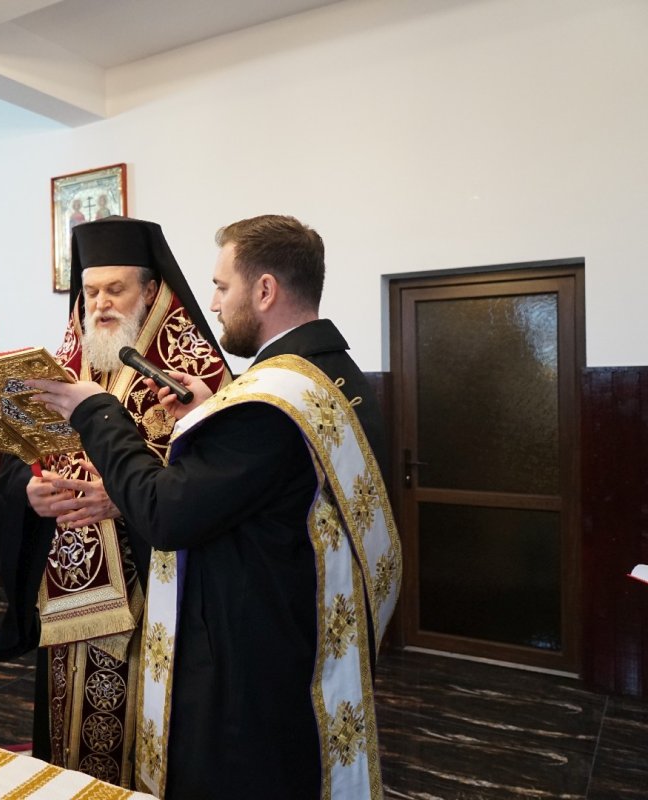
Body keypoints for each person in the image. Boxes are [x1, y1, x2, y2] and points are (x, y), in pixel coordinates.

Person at [28, 214, 402, 798]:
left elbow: (166, 514)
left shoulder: (269, 401)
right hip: (305, 625)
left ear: (265, 290)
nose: (214, 302)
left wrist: (98, 412)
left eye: (222, 287)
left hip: (252, 653)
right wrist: (205, 411)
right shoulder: (333, 374)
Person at [0, 216, 229, 787]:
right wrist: (29, 491)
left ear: (151, 292)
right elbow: (17, 465)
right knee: (64, 742)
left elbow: (206, 495)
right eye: (90, 291)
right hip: (64, 597)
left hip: (150, 598)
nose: (99, 304)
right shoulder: (63, 373)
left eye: (115, 290)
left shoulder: (197, 377)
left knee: (137, 740)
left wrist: (121, 500)